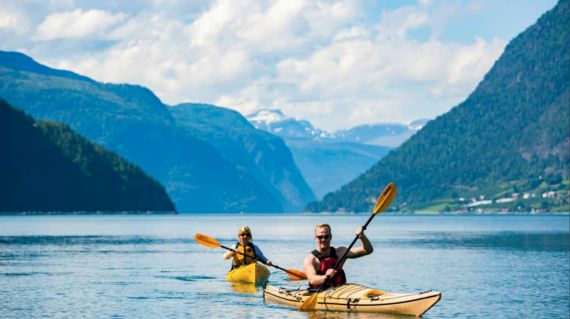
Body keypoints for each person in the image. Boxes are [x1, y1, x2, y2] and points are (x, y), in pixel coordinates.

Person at [303, 223, 373, 289]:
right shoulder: (310, 260)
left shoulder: (341, 252)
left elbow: (367, 250)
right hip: (318, 293)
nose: (323, 239)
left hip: (339, 291)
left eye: (326, 237)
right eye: (320, 237)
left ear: (331, 237)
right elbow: (312, 279)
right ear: (316, 238)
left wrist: (362, 237)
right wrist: (326, 276)